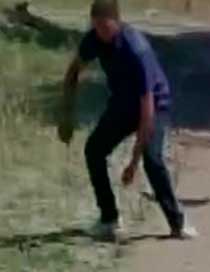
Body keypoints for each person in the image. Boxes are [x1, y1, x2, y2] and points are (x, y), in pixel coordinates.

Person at [58, 0, 197, 240]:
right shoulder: (93, 40)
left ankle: (178, 223)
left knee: (151, 160)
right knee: (94, 150)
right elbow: (72, 73)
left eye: (105, 28)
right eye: (96, 27)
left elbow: (147, 110)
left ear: (117, 22)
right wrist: (66, 117)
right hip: (123, 103)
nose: (101, 34)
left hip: (154, 105)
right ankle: (109, 220)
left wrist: (132, 163)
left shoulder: (136, 50)